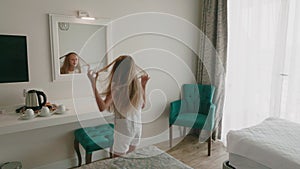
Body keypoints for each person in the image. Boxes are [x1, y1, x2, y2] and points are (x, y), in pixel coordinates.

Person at [87, 55, 150, 157]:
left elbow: (102, 107)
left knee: (117, 161)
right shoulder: (137, 85)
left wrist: (93, 84)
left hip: (124, 128)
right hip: (137, 127)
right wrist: (143, 85)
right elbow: (142, 105)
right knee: (129, 159)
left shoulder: (117, 87)